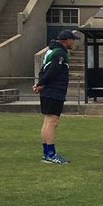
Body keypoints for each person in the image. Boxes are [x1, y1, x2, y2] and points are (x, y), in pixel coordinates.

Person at [33, 29, 78, 163]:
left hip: (48, 90)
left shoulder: (51, 51)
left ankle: (46, 153)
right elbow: (53, 71)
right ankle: (51, 154)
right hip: (54, 91)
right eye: (73, 40)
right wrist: (41, 84)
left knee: (47, 121)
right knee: (52, 122)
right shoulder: (60, 54)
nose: (74, 43)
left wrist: (40, 84)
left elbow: (44, 70)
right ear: (67, 40)